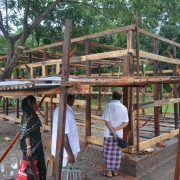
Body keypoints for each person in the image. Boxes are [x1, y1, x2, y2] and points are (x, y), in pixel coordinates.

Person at [101, 90, 129, 177]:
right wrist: (116, 129)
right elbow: (126, 122)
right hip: (119, 135)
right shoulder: (124, 108)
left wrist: (111, 130)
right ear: (120, 97)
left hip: (108, 135)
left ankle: (109, 171)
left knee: (108, 153)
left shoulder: (108, 106)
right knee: (117, 154)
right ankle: (115, 171)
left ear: (112, 96)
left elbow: (106, 120)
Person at [20, 95, 46, 179]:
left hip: (37, 144)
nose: (35, 105)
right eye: (34, 103)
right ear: (29, 104)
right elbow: (26, 133)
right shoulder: (26, 116)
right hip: (31, 147)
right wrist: (28, 147)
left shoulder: (32, 114)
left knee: (40, 165)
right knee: (32, 168)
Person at [51, 94, 80, 167]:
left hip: (63, 151)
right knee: (65, 174)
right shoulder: (65, 112)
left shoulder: (60, 109)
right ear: (71, 99)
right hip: (65, 153)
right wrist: (70, 153)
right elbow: (63, 135)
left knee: (63, 173)